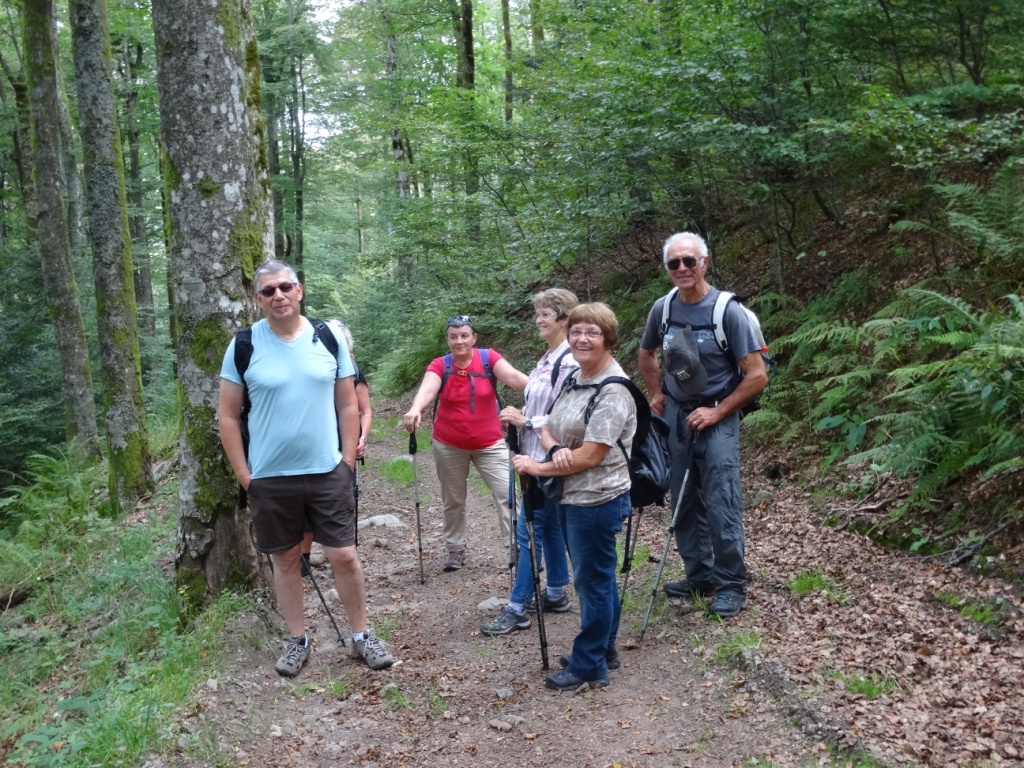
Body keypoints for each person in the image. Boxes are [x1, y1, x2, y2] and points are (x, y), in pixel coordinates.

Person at [218, 259, 394, 676]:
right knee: (285, 560)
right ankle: (297, 640)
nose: (278, 296)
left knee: (344, 554)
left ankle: (361, 636)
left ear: (300, 289)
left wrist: (347, 460)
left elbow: (348, 402)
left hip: (327, 468)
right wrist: (245, 476)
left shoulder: (328, 336)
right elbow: (227, 416)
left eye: (285, 287)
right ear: (258, 299)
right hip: (270, 475)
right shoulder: (244, 344)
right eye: (268, 291)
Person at [638, 232, 768, 619]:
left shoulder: (728, 312)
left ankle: (731, 585)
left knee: (721, 501)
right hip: (677, 414)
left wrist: (717, 411)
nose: (682, 268)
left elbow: (757, 375)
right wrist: (656, 393)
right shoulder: (662, 309)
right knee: (682, 499)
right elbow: (646, 353)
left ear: (705, 263)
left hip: (718, 417)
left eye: (689, 261)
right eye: (674, 263)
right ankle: (700, 575)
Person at [512, 303, 636, 691]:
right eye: (577, 331)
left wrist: (539, 467)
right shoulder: (577, 379)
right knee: (598, 577)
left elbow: (591, 455)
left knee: (592, 581)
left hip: (597, 499)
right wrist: (553, 450)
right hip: (572, 494)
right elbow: (548, 425)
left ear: (609, 339)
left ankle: (588, 666)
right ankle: (604, 649)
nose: (582, 339)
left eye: (592, 332)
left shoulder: (613, 389)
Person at [481, 289, 579, 636]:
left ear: (565, 318)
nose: (538, 319)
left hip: (548, 459)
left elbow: (569, 416)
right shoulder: (547, 358)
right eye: (537, 313)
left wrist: (527, 422)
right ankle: (555, 593)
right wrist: (523, 416)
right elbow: (542, 407)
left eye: (546, 314)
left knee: (528, 532)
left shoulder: (568, 362)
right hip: (534, 456)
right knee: (547, 528)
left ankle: (518, 606)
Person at [402, 315, 528, 572]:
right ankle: (455, 549)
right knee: (454, 499)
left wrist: (547, 390)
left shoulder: (488, 358)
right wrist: (416, 408)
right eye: (453, 336)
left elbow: (515, 379)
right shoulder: (441, 364)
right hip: (449, 443)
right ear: (447, 339)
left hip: (490, 443)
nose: (459, 341)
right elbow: (428, 389)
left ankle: (517, 547)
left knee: (507, 495)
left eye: (464, 335)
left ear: (474, 338)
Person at [301, 321, 371, 575]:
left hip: (342, 443)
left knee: (341, 500)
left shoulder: (351, 369)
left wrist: (360, 438)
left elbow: (364, 409)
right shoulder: (308, 366)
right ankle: (304, 559)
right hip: (313, 441)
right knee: (305, 503)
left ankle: (342, 556)